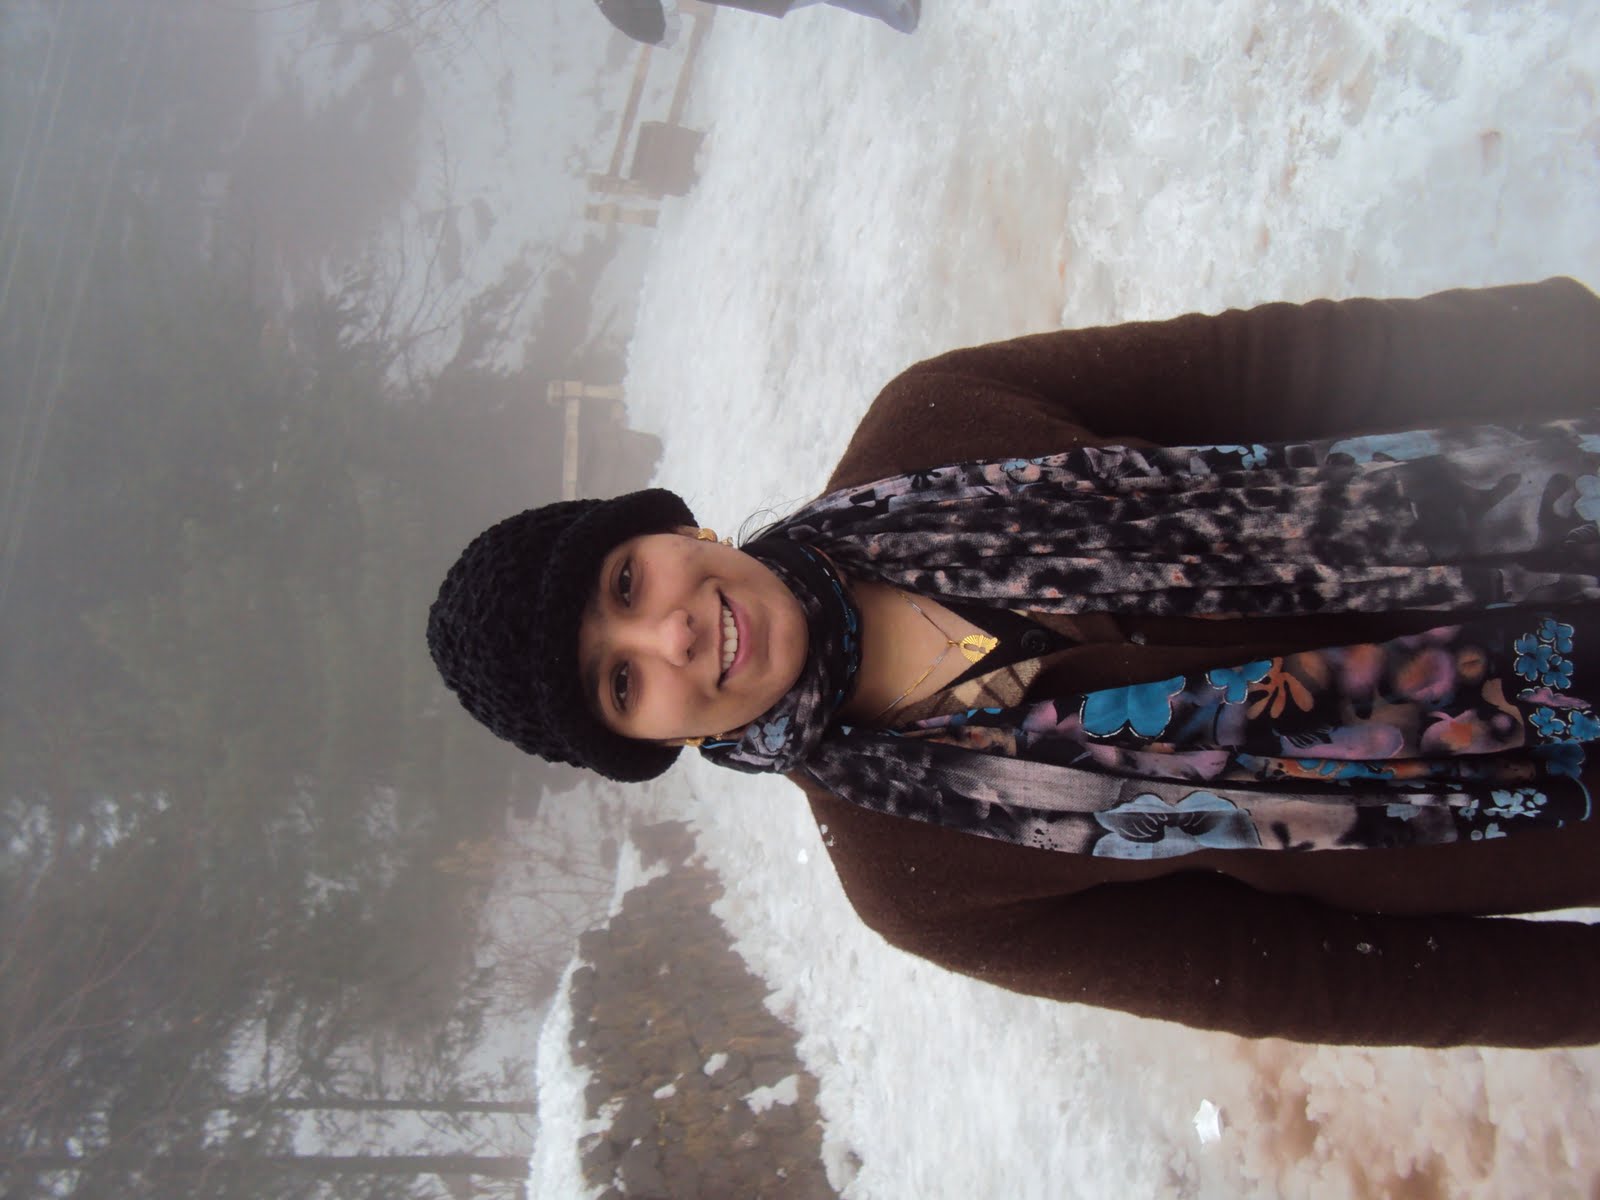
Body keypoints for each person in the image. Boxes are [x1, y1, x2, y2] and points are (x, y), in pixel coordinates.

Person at [428, 278, 1600, 1048]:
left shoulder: (936, 421)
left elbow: (1279, 365)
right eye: (622, 681)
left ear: (671, 531)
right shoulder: (918, 883)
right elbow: (1298, 976)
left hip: (1552, 498)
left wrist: (1564, 338)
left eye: (625, 586)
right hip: (1551, 804)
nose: (670, 635)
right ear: (655, 740)